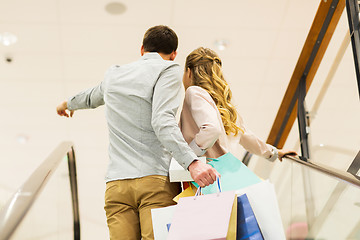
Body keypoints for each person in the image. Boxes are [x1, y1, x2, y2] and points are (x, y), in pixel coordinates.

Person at [56, 26, 219, 240]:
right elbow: (162, 121)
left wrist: (67, 104)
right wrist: (192, 163)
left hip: (117, 186)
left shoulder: (114, 74)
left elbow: (91, 96)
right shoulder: (168, 70)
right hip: (155, 182)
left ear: (142, 49)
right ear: (173, 54)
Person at [179, 47, 297, 166]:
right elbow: (247, 137)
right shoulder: (224, 106)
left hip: (205, 175)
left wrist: (187, 156)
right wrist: (274, 153)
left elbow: (212, 129)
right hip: (226, 173)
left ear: (189, 72)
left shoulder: (194, 92)